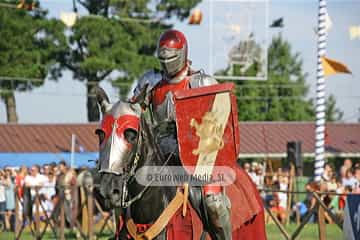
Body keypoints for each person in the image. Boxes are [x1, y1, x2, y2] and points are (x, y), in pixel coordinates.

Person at [131, 29, 263, 239]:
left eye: (172, 58)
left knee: (213, 201)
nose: (166, 63)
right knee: (127, 189)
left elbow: (220, 121)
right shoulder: (150, 81)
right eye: (163, 58)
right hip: (158, 153)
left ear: (182, 54)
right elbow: (133, 113)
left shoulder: (202, 83)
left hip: (196, 156)